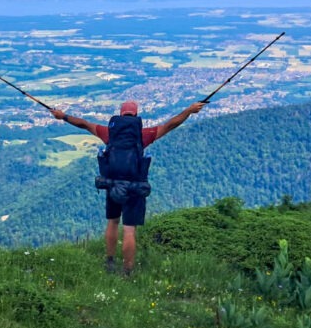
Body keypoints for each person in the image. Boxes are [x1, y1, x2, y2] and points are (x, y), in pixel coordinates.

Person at [51, 99, 205, 276]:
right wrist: (189, 110)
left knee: (113, 222)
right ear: (136, 115)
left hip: (112, 184)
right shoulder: (143, 135)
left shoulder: (109, 133)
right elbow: (171, 124)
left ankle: (109, 262)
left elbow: (84, 124)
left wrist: (63, 116)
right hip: (134, 187)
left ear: (120, 114)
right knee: (129, 229)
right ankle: (128, 270)